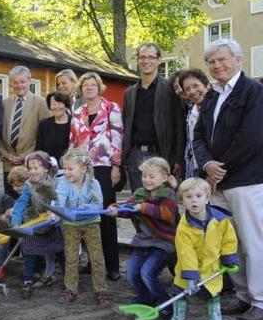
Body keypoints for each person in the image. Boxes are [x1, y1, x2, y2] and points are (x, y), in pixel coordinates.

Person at [192, 39, 263, 320]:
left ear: (238, 59)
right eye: (211, 62)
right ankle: (244, 296)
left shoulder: (253, 91)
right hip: (216, 183)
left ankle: (260, 300)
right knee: (227, 243)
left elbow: (252, 136)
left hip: (246, 181)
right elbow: (198, 136)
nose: (216, 65)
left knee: (252, 241)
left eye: (222, 59)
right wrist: (207, 164)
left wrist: (222, 168)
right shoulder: (210, 96)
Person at [165, 177, 238, 320]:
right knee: (179, 291)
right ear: (182, 202)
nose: (194, 201)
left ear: (207, 198)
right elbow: (186, 253)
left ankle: (215, 318)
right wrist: (191, 276)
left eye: (198, 196)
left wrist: (229, 259)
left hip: (211, 266)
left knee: (212, 294)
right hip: (186, 267)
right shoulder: (183, 228)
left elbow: (229, 240)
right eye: (188, 197)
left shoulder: (221, 220)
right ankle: (178, 316)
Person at [108, 157, 179, 318]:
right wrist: (116, 210)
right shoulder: (140, 193)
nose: (146, 180)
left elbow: (167, 214)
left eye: (151, 176)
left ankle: (165, 304)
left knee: (147, 273)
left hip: (163, 243)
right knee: (132, 273)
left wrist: (144, 207)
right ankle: (145, 298)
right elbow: (129, 209)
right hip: (143, 242)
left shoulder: (168, 195)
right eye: (144, 176)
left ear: (165, 177)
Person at [69, 72, 123, 281]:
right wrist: (70, 167)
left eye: (93, 85)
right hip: (82, 167)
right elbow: (73, 140)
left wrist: (116, 166)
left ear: (99, 87)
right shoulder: (78, 111)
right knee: (88, 215)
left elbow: (117, 137)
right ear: (81, 89)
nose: (89, 88)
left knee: (106, 214)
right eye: (86, 85)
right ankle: (93, 262)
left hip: (103, 165)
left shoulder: (111, 107)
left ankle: (112, 265)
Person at [122, 43, 185, 192]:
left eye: (151, 57)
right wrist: (126, 156)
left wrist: (178, 158)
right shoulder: (130, 93)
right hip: (136, 155)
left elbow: (179, 125)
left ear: (159, 60)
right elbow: (126, 124)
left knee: (162, 205)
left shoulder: (170, 89)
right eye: (142, 57)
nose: (146, 61)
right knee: (138, 204)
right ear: (138, 60)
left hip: (161, 153)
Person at [54, 148, 110, 305]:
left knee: (96, 257)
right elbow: (59, 200)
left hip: (91, 223)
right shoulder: (63, 182)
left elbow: (99, 204)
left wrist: (89, 209)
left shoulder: (94, 183)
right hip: (71, 225)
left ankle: (101, 290)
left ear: (84, 168)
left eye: (70, 168)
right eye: (65, 168)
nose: (66, 172)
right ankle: (70, 289)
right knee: (71, 258)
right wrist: (55, 212)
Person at [10, 151, 63, 299]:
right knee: (30, 250)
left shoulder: (56, 183)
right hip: (36, 222)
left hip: (53, 221)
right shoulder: (28, 185)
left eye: (36, 168)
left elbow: (60, 200)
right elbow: (20, 203)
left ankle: (66, 280)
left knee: (58, 250)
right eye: (30, 168)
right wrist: (16, 222)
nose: (32, 172)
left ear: (46, 168)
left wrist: (56, 213)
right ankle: (27, 281)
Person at [0, 65, 49, 198]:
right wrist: (6, 155)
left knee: (29, 202)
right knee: (10, 201)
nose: (19, 85)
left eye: (22, 82)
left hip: (31, 164)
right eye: (15, 82)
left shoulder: (41, 103)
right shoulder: (5, 103)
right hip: (9, 164)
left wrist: (27, 155)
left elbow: (44, 134)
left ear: (29, 81)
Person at [177, 69, 211, 179]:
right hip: (197, 169)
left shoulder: (218, 108)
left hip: (215, 169)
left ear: (207, 85)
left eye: (196, 86)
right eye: (187, 89)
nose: (192, 91)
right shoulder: (191, 112)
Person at [36, 91, 72, 166]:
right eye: (53, 104)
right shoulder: (44, 124)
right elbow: (38, 150)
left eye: (59, 103)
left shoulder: (74, 123)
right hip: (49, 168)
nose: (56, 107)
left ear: (66, 106)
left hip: (69, 168)